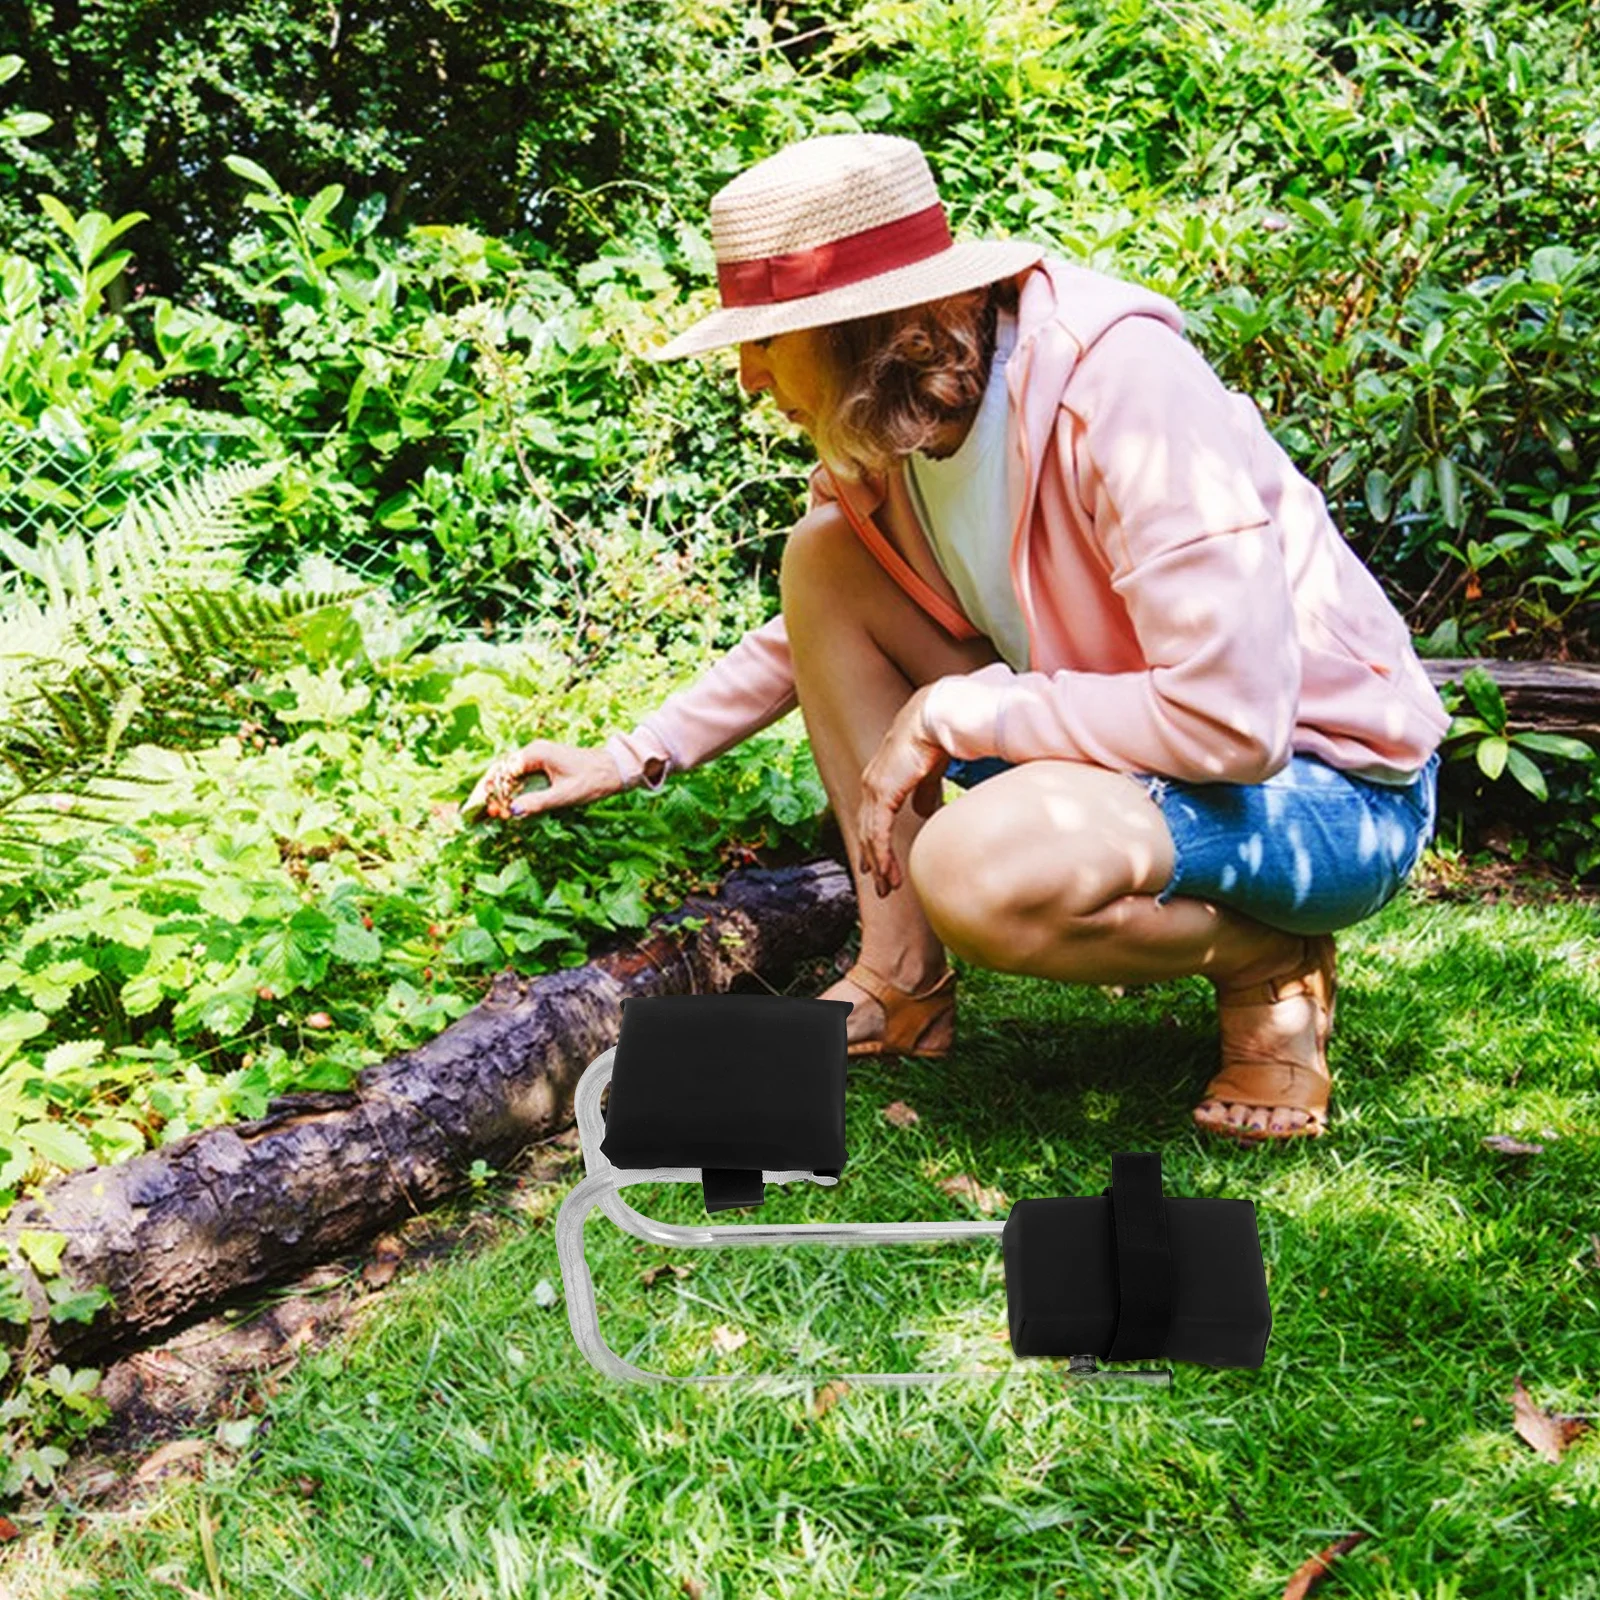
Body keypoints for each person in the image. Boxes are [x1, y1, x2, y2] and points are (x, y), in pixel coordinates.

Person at [465, 133, 1448, 1142]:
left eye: (767, 337)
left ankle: (1266, 959)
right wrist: (630, 754)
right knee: (820, 557)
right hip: (1141, 759)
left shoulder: (1122, 388)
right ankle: (899, 979)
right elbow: (814, 629)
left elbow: (1235, 721)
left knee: (979, 871)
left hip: (1326, 790)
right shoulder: (900, 419)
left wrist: (961, 706)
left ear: (864, 326)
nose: (749, 377)